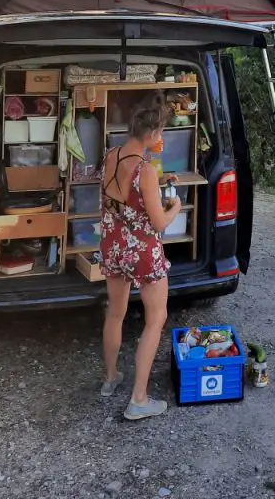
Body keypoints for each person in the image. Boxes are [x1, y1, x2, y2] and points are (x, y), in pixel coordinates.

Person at [99, 92, 183, 420]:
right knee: (156, 319)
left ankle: (110, 379)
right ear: (151, 134)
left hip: (113, 244)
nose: (161, 138)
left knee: (116, 312)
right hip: (141, 251)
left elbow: (120, 195)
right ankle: (139, 399)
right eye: (161, 132)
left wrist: (158, 183)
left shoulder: (112, 155)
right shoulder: (145, 170)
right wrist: (174, 205)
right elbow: (159, 222)